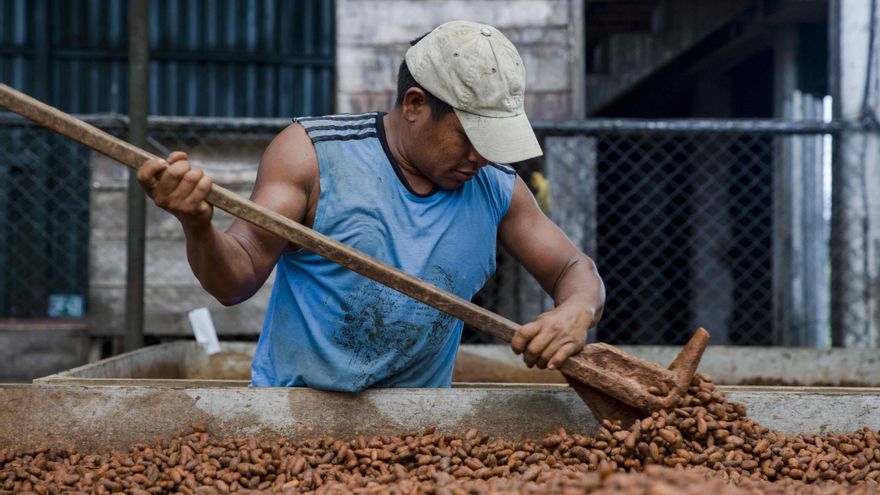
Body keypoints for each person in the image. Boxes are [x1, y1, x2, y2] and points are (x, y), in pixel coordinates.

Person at [137, 20, 605, 391]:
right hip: (290, 417)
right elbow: (235, 280)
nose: (481, 157)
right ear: (415, 105)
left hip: (421, 434)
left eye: (493, 141)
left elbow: (573, 268)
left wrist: (577, 310)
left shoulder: (497, 189)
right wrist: (198, 226)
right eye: (469, 137)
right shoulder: (312, 155)